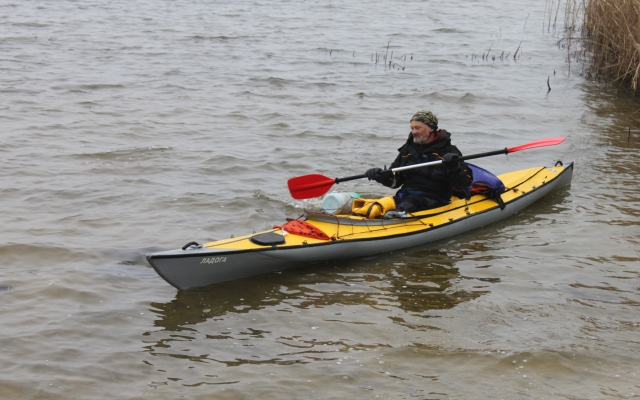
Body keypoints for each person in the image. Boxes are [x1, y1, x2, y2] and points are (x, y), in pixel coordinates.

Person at [365, 110, 471, 216]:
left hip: (435, 198)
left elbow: (464, 182)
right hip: (406, 196)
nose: (414, 132)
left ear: (431, 129)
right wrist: (379, 175)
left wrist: (454, 167)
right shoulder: (407, 150)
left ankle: (398, 214)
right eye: (412, 128)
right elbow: (395, 182)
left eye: (418, 128)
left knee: (411, 202)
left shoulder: (449, 151)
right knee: (373, 207)